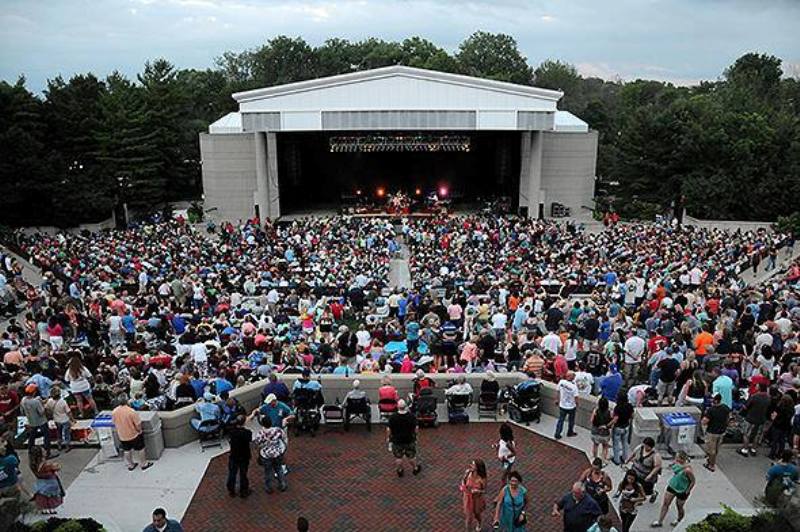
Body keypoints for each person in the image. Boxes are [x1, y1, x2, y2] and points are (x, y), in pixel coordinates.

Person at [651, 451, 695, 528]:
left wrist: (687, 491)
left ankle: (679, 520)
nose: (675, 458)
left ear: (682, 458)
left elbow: (693, 481)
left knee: (679, 506)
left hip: (682, 490)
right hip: (672, 486)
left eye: (677, 457)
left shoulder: (687, 470)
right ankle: (660, 521)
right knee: (665, 504)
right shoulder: (676, 463)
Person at [111, 394, 153, 471]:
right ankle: (143, 464)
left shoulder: (114, 412)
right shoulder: (131, 412)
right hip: (133, 434)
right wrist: (139, 431)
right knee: (140, 449)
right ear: (127, 401)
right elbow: (138, 424)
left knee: (127, 450)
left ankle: (131, 465)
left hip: (122, 435)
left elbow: (114, 423)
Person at [253, 414, 288, 493]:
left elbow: (257, 444)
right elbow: (284, 438)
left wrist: (259, 452)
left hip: (266, 455)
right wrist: (283, 448)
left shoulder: (260, 433)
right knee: (279, 469)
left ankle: (269, 487)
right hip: (277, 453)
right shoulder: (277, 430)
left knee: (268, 472)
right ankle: (282, 484)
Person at [386, 399, 421, 477]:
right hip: (409, 439)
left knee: (398, 457)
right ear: (405, 406)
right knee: (411, 456)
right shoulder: (411, 416)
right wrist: (415, 436)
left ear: (397, 406)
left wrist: (388, 438)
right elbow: (416, 428)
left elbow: (388, 429)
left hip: (397, 440)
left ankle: (400, 470)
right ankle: (415, 468)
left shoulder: (393, 417)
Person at [21, 384, 56, 458]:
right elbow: (41, 412)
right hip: (41, 421)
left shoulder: (23, 400)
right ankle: (47, 453)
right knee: (46, 436)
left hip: (31, 421)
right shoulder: (35, 402)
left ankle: (30, 452)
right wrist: (44, 406)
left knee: (32, 437)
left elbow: (22, 411)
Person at [738, 383, 771, 457]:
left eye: (757, 386)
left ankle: (745, 449)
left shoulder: (754, 396)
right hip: (761, 418)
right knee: (757, 435)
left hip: (751, 418)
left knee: (746, 434)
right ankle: (753, 449)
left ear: (759, 388)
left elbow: (746, 406)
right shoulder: (768, 398)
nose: (756, 387)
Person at [626, 437, 662, 502]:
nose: (646, 447)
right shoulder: (640, 447)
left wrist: (650, 475)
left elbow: (657, 466)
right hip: (636, 471)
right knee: (635, 484)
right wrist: (627, 461)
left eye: (648, 446)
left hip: (646, 475)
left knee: (647, 491)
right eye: (645, 445)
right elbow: (633, 454)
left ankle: (654, 493)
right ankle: (637, 497)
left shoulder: (655, 455)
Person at [29, 446, 63, 515]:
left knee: (42, 496)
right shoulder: (46, 465)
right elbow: (57, 467)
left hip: (41, 482)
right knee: (51, 495)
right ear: (40, 454)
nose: (45, 451)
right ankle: (51, 508)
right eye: (43, 451)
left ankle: (44, 509)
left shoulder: (33, 465)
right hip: (50, 482)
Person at [701, 394, 730, 472]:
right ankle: (710, 460)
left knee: (711, 450)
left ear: (716, 400)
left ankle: (711, 465)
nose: (711, 400)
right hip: (722, 432)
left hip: (712, 432)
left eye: (712, 399)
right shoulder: (725, 407)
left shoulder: (711, 410)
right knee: (716, 449)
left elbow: (704, 421)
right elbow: (728, 419)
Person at [226, 415, 251, 498]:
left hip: (234, 456)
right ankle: (243, 491)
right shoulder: (247, 433)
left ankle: (231, 490)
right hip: (244, 456)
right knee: (243, 474)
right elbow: (249, 439)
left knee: (232, 473)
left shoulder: (231, 432)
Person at [461, 458, 487, 532]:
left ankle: (479, 522)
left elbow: (484, 490)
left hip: (477, 499)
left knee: (477, 514)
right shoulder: (468, 472)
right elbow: (463, 480)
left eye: (473, 465)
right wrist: (463, 486)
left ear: (478, 467)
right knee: (468, 518)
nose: (471, 466)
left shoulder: (482, 478)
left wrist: (477, 491)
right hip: (468, 498)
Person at [46, 387, 74, 453]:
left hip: (56, 420)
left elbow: (47, 409)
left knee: (59, 433)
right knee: (67, 434)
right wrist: (72, 419)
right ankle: (67, 446)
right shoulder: (63, 402)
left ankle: (59, 445)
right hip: (65, 420)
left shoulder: (49, 401)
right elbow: (68, 412)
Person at [609, 390, 633, 465]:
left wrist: (608, 425)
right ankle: (625, 458)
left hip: (618, 427)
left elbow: (615, 419)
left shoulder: (617, 407)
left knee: (616, 444)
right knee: (625, 443)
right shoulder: (630, 406)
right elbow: (632, 416)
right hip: (626, 426)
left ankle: (617, 460)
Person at [555, 371, 578, 440]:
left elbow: (558, 391)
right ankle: (570, 432)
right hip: (571, 407)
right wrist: (577, 404)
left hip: (562, 405)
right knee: (571, 420)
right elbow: (576, 397)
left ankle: (557, 433)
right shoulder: (574, 387)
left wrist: (557, 399)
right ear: (571, 377)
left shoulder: (561, 382)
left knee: (561, 420)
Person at [590, 397, 612, 463]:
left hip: (595, 431)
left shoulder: (595, 411)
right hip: (604, 433)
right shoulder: (609, 412)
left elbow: (591, 420)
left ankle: (595, 458)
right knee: (605, 446)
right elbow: (611, 422)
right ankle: (603, 459)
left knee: (595, 445)